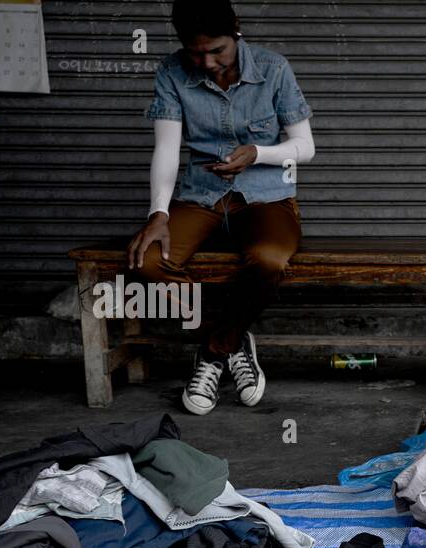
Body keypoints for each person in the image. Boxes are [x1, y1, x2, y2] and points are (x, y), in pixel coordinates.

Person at [127, 0, 316, 415]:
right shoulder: (172, 71)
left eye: (217, 50)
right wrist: (158, 214)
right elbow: (167, 148)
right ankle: (232, 338)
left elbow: (305, 148)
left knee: (269, 259)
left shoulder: (274, 69)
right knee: (147, 263)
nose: (207, 62)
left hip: (267, 193)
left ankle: (213, 352)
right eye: (196, 52)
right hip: (200, 193)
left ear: (236, 32)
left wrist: (258, 153)